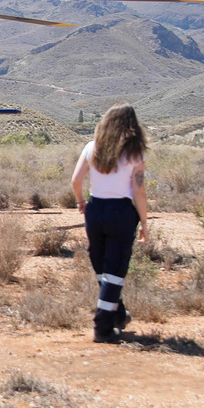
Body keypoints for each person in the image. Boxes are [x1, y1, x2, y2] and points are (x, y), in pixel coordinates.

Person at [70, 103, 150, 343]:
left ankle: (118, 314)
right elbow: (140, 192)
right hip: (121, 212)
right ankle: (102, 327)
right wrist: (144, 222)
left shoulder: (91, 148)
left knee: (103, 268)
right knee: (114, 271)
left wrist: (82, 202)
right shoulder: (135, 153)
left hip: (95, 210)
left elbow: (75, 181)